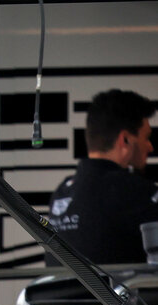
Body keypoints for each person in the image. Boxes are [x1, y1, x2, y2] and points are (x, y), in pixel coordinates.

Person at [47, 88, 158, 266]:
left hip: (59, 286)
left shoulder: (61, 192)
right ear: (125, 140)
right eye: (146, 138)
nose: (150, 146)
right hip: (117, 286)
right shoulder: (134, 191)